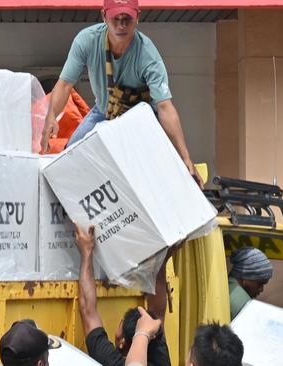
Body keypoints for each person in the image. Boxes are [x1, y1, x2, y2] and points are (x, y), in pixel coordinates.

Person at [39, 0, 202, 187]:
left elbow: (165, 107)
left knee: (156, 169)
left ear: (138, 18)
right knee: (69, 158)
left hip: (139, 117)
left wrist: (186, 157)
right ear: (103, 16)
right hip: (104, 112)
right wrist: (51, 116)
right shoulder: (87, 40)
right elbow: (65, 84)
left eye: (127, 19)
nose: (121, 25)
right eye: (115, 18)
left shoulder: (147, 55)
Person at [74, 222, 172, 366]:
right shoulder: (161, 357)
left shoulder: (113, 362)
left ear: (122, 342)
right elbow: (158, 309)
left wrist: (87, 252)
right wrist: (162, 260)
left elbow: (89, 312)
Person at [228, 247, 273, 319]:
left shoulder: (227, 286)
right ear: (245, 277)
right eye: (259, 284)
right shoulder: (242, 303)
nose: (261, 289)